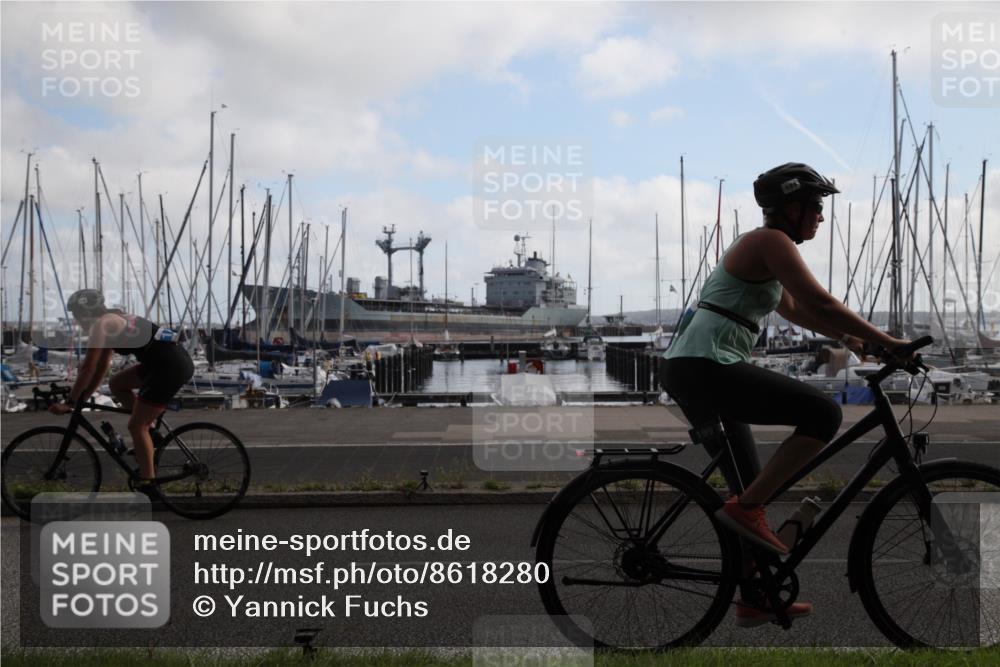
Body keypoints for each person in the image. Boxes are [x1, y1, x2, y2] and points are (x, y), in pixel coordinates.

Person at [660, 163, 911, 627]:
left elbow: (799, 311)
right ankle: (747, 511)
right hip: (705, 366)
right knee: (820, 414)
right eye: (815, 207)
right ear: (791, 207)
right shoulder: (769, 242)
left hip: (699, 368)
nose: (819, 216)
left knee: (749, 488)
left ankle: (755, 596)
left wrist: (857, 341)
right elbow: (822, 303)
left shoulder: (769, 251)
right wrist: (891, 342)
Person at [49, 290, 195, 492]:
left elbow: (88, 367)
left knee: (136, 426)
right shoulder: (111, 319)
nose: (75, 319)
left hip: (168, 367)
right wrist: (84, 396)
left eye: (76, 314)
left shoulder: (101, 325)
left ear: (86, 313)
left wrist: (70, 401)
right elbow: (101, 367)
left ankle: (149, 485)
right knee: (117, 384)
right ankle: (151, 433)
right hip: (162, 363)